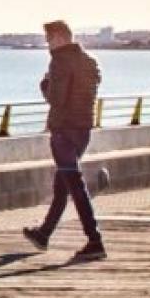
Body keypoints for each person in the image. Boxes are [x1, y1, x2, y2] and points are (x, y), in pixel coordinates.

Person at [25, 19, 106, 261]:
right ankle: (44, 234)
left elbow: (56, 99)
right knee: (63, 186)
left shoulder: (60, 60)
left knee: (75, 184)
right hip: (83, 131)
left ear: (60, 37)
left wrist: (45, 85)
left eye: (49, 39)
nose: (48, 44)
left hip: (63, 132)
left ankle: (95, 240)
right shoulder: (90, 62)